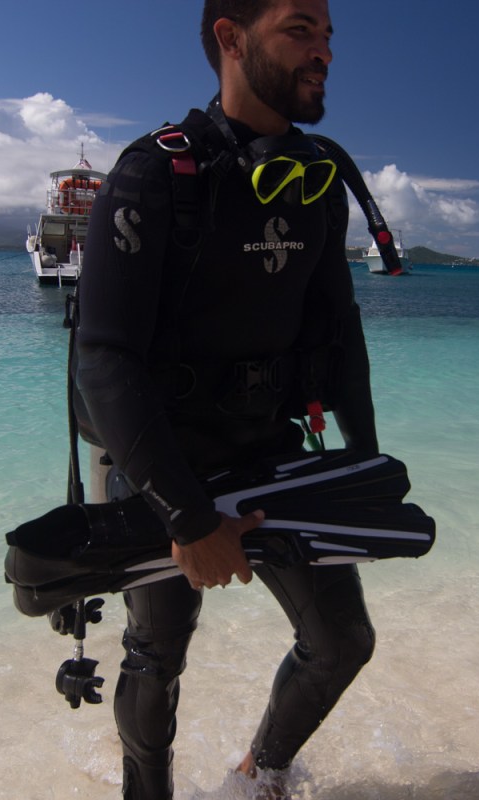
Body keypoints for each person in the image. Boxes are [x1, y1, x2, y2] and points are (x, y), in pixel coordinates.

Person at [75, 1, 379, 796]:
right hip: (160, 453)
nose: (324, 53)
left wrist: (365, 463)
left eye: (328, 36)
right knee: (156, 653)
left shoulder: (318, 180)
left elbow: (340, 331)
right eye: (301, 31)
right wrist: (188, 518)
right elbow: (102, 360)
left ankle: (260, 774)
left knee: (343, 638)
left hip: (268, 445)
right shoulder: (155, 171)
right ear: (231, 38)